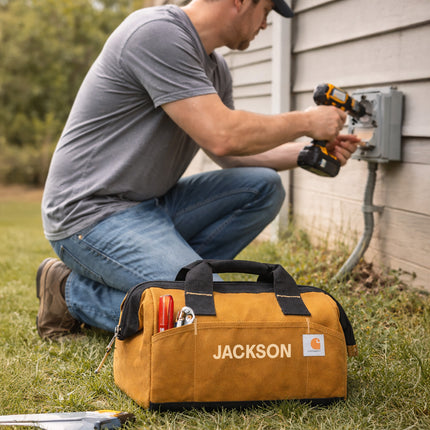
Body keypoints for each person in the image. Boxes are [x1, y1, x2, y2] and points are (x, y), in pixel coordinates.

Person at [36, 0, 360, 339]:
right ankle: (69, 291)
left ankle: (178, 278)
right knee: (209, 312)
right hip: (91, 215)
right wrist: (307, 121)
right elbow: (223, 136)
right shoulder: (156, 33)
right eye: (265, 11)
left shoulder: (215, 69)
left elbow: (233, 156)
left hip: (151, 208)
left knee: (263, 186)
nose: (265, 25)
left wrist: (308, 154)